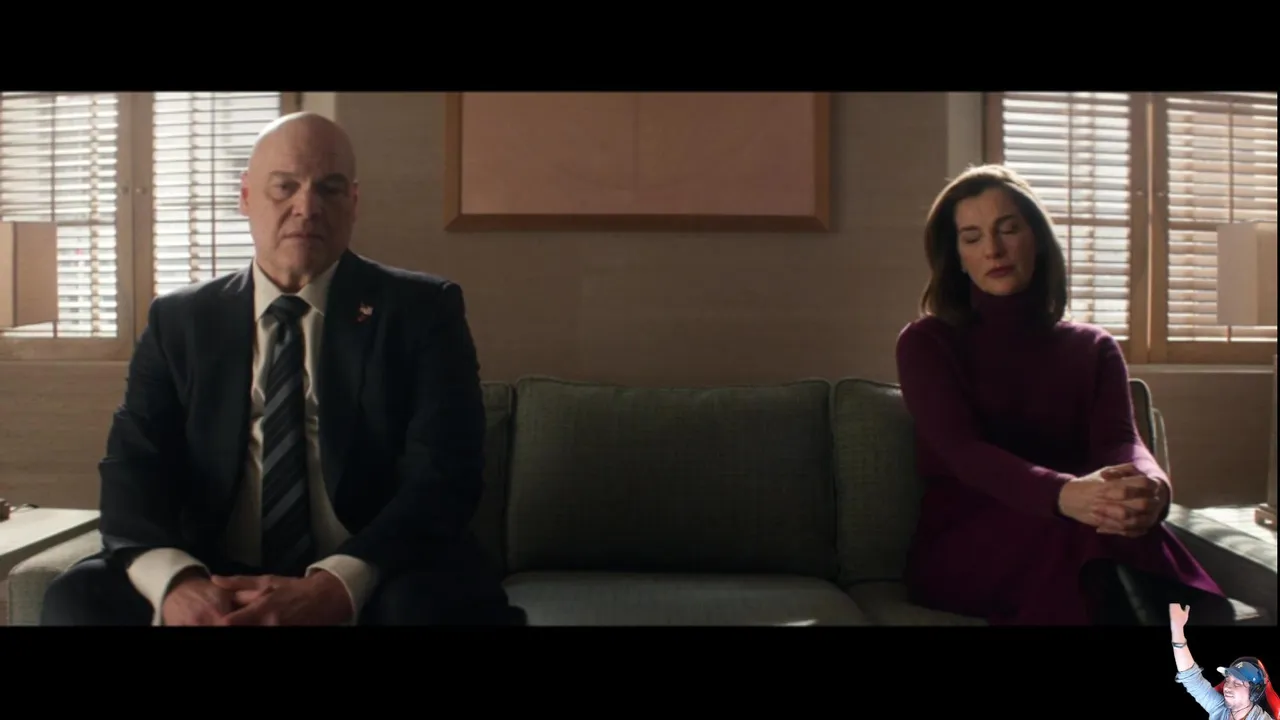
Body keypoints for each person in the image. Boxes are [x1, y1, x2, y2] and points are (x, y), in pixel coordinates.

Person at [39, 112, 524, 626]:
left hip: (375, 569)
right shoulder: (179, 321)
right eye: (284, 187)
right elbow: (132, 469)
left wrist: (336, 585)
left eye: (329, 189)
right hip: (214, 569)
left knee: (426, 607)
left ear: (354, 202)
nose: (307, 208)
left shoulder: (423, 310)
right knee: (77, 598)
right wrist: (178, 584)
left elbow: (445, 476)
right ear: (246, 197)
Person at [894, 163, 1236, 625]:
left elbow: (1120, 441)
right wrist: (1063, 494)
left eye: (1008, 229)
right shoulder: (926, 342)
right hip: (970, 535)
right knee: (1091, 538)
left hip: (1086, 520)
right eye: (972, 238)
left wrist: (1151, 486)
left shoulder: (1094, 346)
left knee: (1114, 530)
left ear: (1037, 238)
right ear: (956, 256)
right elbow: (963, 452)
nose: (993, 249)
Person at [1171, 603, 1276, 719]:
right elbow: (1192, 678)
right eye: (1227, 680)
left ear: (1254, 693)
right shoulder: (1219, 707)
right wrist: (1177, 629)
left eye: (1237, 683)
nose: (1227, 687)